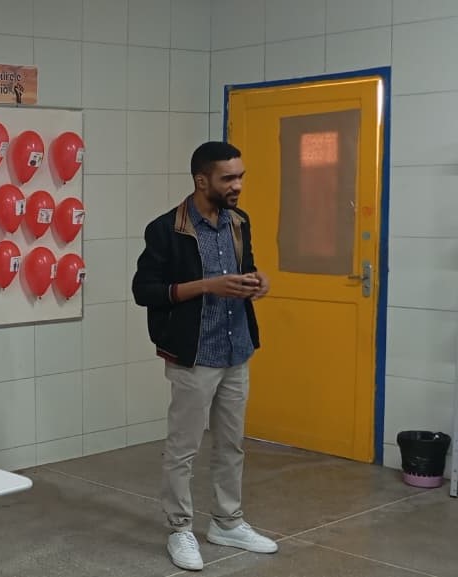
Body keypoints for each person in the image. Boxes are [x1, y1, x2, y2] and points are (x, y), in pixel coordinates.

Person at [132, 141, 277, 571]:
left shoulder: (239, 221)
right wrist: (207, 286)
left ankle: (227, 522)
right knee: (183, 448)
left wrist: (257, 281)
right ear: (202, 180)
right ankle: (180, 528)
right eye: (228, 178)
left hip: (236, 349)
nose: (238, 185)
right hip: (194, 354)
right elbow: (145, 291)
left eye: (240, 176)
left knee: (232, 444)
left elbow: (245, 268)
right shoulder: (165, 229)